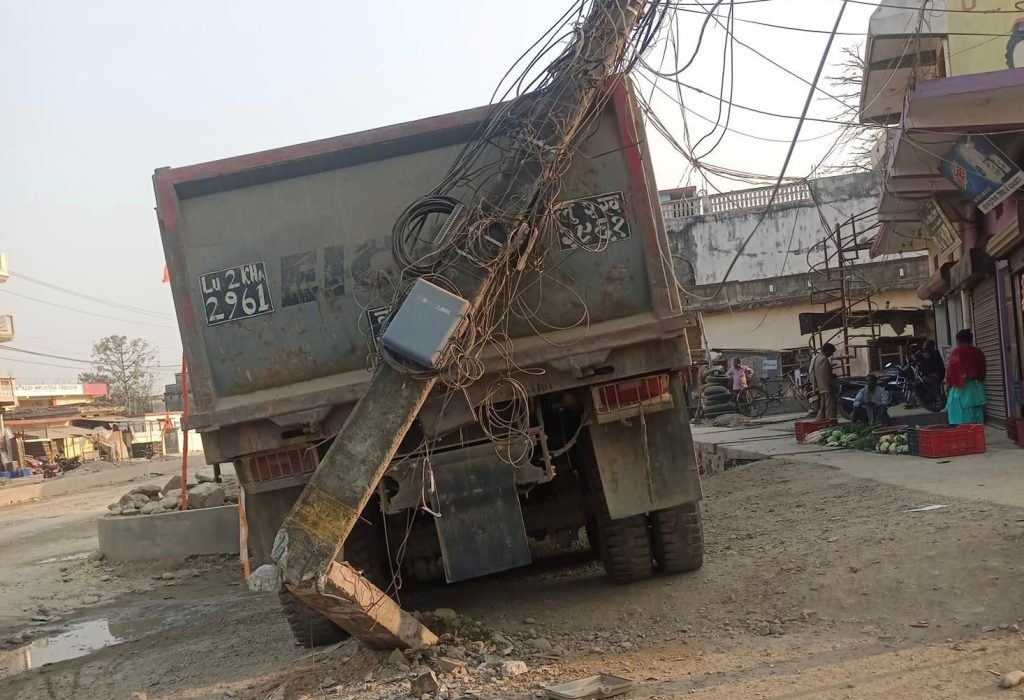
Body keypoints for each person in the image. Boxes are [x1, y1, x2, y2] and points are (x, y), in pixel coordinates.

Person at [945, 329, 986, 424]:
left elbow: (951, 373)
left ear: (958, 341)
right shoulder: (978, 352)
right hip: (978, 392)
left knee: (961, 424)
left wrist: (948, 386)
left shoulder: (957, 352)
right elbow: (982, 373)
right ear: (971, 340)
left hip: (962, 393)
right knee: (977, 425)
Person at [810, 343, 838, 420]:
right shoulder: (824, 359)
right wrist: (829, 384)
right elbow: (824, 374)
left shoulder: (816, 358)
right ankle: (830, 420)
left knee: (823, 405)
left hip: (820, 385)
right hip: (826, 385)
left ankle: (820, 419)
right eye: (831, 352)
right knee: (829, 405)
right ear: (827, 350)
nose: (832, 354)